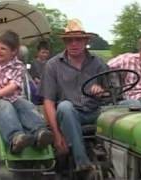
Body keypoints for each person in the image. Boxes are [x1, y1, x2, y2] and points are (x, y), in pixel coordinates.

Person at [40, 19, 107, 171]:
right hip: (70, 113)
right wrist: (57, 135)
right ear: (65, 42)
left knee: (130, 107)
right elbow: (48, 101)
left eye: (78, 40)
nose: (74, 44)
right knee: (65, 106)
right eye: (69, 40)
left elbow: (112, 90)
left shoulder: (98, 63)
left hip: (95, 111)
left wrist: (102, 90)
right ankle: (82, 164)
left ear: (86, 41)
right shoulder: (53, 65)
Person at [29, 41, 50, 105]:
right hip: (37, 86)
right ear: (38, 52)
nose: (45, 55)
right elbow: (34, 78)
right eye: (43, 52)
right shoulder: (32, 63)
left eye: (46, 53)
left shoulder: (50, 63)